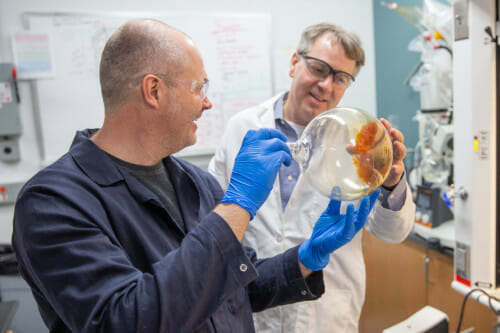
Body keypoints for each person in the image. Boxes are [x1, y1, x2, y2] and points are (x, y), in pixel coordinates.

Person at [12, 19, 380, 333]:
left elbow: (237, 287)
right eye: (198, 87)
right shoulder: (54, 202)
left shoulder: (194, 182)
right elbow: (126, 319)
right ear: (153, 91)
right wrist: (237, 205)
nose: (207, 102)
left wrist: (306, 258)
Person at [209, 22, 416, 332]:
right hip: (254, 308)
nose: (326, 85)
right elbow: (212, 214)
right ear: (295, 62)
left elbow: (391, 232)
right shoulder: (242, 127)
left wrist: (391, 182)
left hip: (325, 314)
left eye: (341, 78)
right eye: (319, 68)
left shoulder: (362, 142)